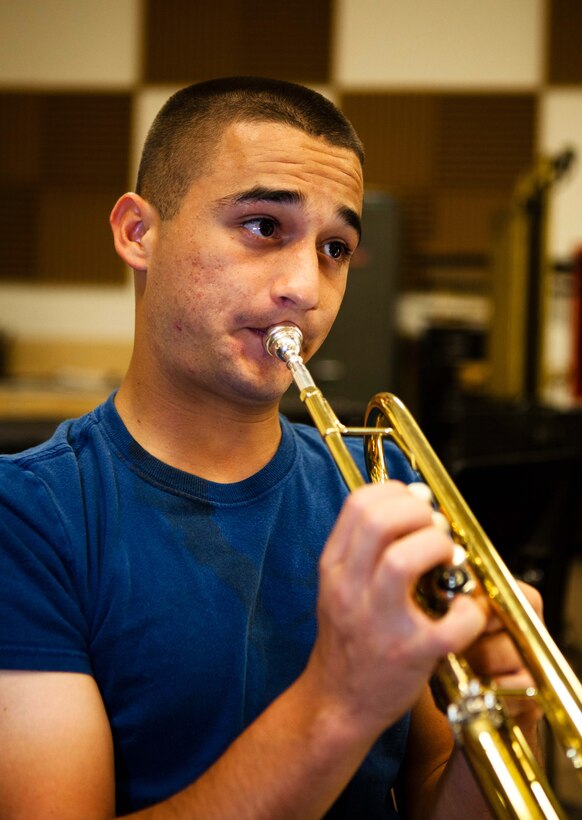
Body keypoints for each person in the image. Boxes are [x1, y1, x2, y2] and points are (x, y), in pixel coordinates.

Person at [0, 77, 542, 819]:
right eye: (262, 226)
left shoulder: (383, 484)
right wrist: (340, 699)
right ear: (137, 233)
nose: (305, 287)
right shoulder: (26, 518)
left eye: (335, 248)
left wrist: (508, 720)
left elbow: (428, 787)